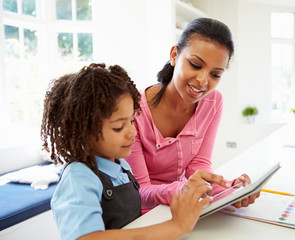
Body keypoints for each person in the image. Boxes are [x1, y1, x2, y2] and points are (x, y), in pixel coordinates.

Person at [40, 63, 232, 240]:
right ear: (82, 130)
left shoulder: (121, 166)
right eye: (118, 127)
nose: (132, 132)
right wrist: (175, 226)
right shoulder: (79, 177)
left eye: (131, 120)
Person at [126, 17, 260, 213]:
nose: (202, 81)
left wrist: (229, 190)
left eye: (215, 74)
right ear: (174, 55)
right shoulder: (132, 108)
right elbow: (139, 191)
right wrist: (185, 189)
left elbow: (198, 165)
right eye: (196, 65)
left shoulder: (213, 102)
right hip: (143, 215)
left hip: (182, 207)